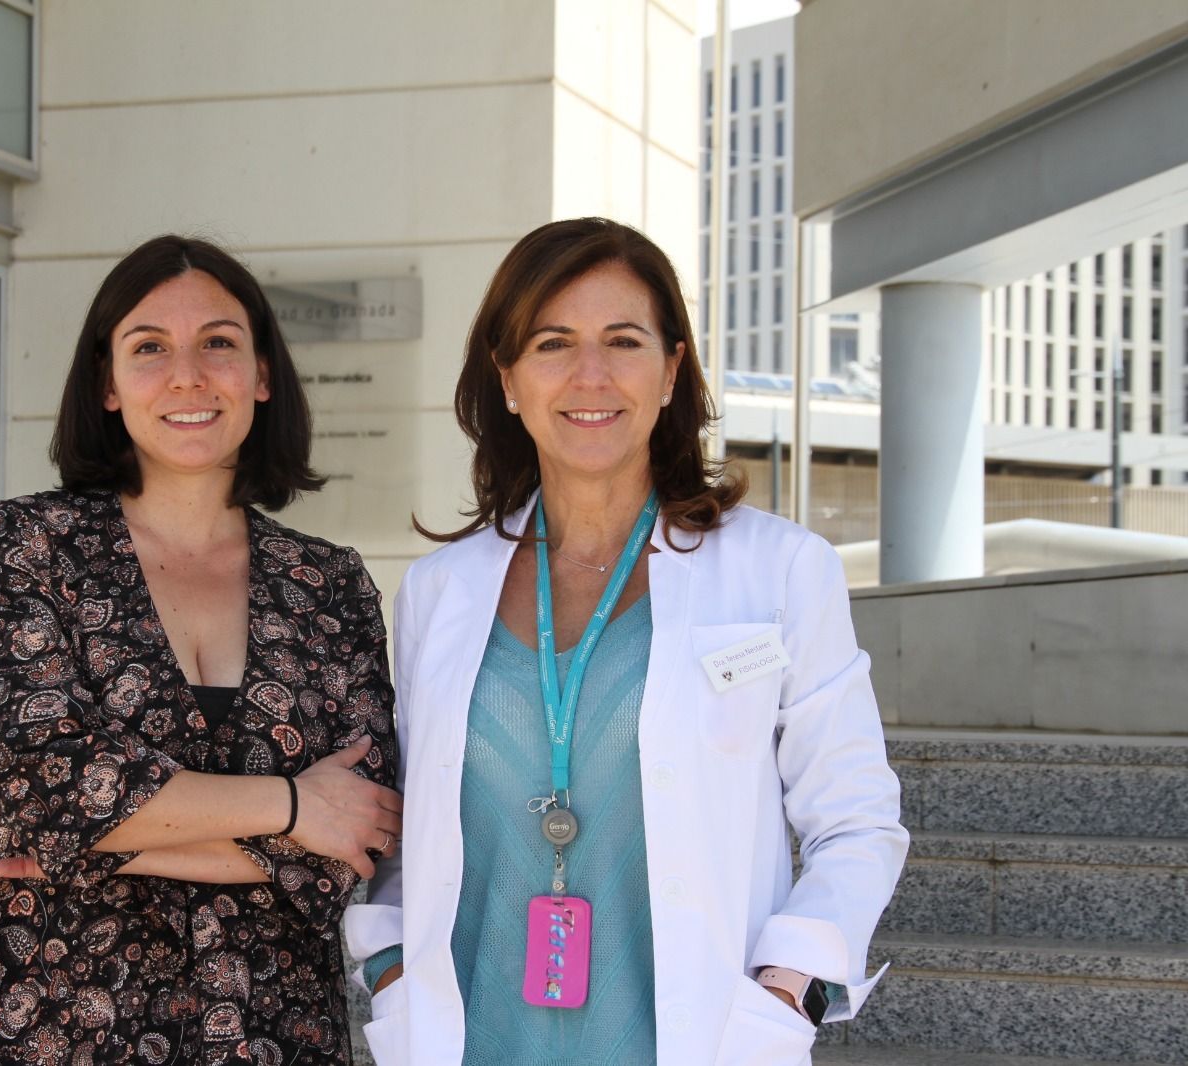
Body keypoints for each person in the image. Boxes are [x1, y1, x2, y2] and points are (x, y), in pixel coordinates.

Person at [344, 217, 907, 1066]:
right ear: (507, 378)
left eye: (624, 340)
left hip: (691, 1038)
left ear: (672, 367)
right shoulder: (440, 590)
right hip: (472, 1035)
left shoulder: (781, 571)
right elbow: (403, 820)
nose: (591, 375)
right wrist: (387, 963)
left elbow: (857, 819)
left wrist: (789, 988)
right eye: (552, 343)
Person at [0, 235, 401, 1066]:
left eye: (218, 341)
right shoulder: (34, 544)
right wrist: (292, 807)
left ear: (261, 376)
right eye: (149, 347)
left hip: (269, 1028)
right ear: (107, 383)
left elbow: (357, 834)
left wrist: (97, 837)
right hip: (51, 1020)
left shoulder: (329, 582)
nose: (187, 374)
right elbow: (49, 781)